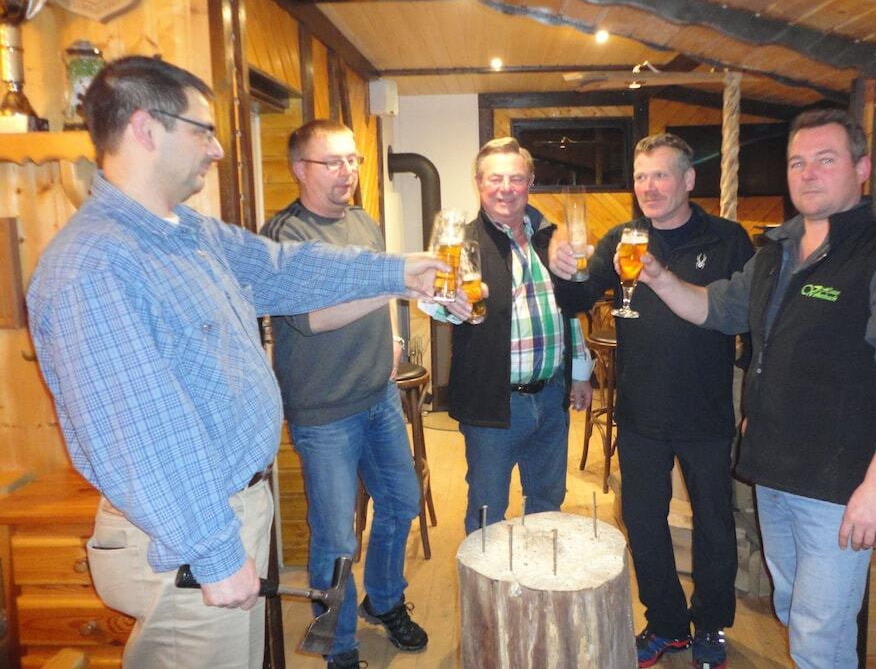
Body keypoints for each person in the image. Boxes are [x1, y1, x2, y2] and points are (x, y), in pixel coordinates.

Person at [26, 57, 443, 669]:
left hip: (225, 512)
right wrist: (214, 551)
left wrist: (400, 270)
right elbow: (142, 432)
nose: (218, 149)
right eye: (203, 131)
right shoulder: (94, 265)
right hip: (184, 539)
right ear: (146, 128)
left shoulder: (187, 232)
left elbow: (284, 268)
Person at [636, 109, 876, 668]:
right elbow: (713, 308)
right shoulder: (775, 254)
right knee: (791, 609)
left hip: (836, 485)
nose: (808, 173)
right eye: (797, 162)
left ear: (861, 168)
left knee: (819, 634)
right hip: (774, 475)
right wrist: (660, 279)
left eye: (825, 160)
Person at [549, 133, 753, 669]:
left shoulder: (728, 240)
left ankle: (710, 624)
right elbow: (577, 298)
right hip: (640, 412)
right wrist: (564, 267)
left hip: (706, 412)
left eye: (660, 175)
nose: (648, 187)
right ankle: (666, 623)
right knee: (642, 521)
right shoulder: (623, 238)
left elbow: (753, 325)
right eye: (641, 177)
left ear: (688, 179)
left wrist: (753, 401)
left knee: (714, 525)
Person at [260, 119, 426, 669]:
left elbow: (376, 295)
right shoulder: (285, 235)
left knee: (401, 504)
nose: (348, 171)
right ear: (300, 169)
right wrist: (395, 283)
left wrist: (394, 336)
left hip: (378, 395)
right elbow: (310, 319)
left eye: (352, 160)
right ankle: (340, 644)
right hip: (324, 412)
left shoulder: (363, 221)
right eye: (333, 162)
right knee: (336, 538)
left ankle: (385, 600)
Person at [424, 137, 592, 534]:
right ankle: (487, 579)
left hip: (551, 397)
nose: (505, 188)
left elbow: (567, 310)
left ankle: (539, 575)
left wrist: (581, 371)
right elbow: (437, 302)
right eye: (495, 179)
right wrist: (446, 301)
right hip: (493, 404)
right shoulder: (460, 243)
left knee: (548, 505)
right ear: (479, 183)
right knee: (488, 513)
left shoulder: (550, 238)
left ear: (529, 182)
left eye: (516, 178)